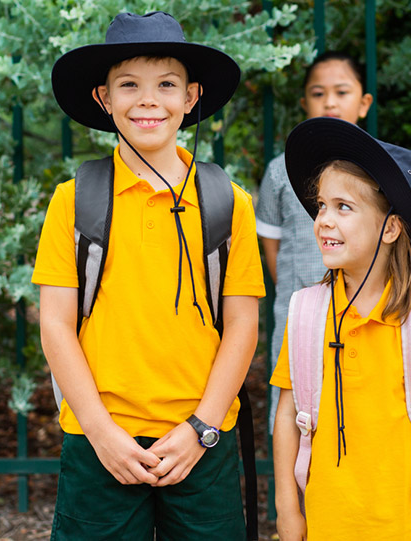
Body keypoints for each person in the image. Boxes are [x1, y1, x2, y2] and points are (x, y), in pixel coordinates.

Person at [32, 11, 265, 539]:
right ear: (103, 98)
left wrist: (201, 427)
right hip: (99, 443)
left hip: (201, 443)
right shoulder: (74, 201)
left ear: (191, 97)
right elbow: (55, 325)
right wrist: (100, 432)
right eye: (128, 85)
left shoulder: (230, 204)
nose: (148, 99)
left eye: (166, 84)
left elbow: (243, 326)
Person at [270, 117, 411, 540]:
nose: (324, 219)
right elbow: (289, 415)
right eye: (322, 205)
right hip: (325, 524)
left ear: (391, 228)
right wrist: (287, 510)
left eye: (343, 207)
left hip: (409, 526)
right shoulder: (308, 313)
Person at [255, 51, 373, 428]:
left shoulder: (378, 171)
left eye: (342, 91)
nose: (331, 102)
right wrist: (299, 293)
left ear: (364, 102)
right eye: (319, 94)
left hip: (364, 312)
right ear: (305, 102)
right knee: (294, 406)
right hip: (298, 313)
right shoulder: (281, 170)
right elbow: (270, 240)